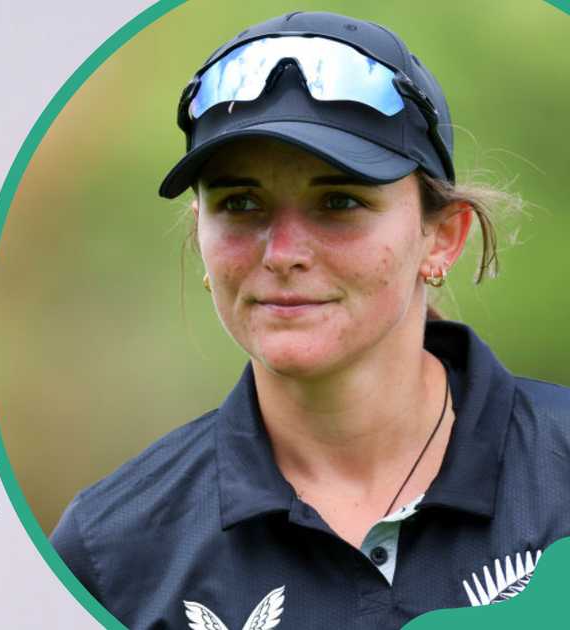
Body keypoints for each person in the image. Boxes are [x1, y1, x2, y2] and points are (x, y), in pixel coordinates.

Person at [50, 11, 570, 630]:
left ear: (442, 238)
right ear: (202, 238)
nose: (282, 252)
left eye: (340, 201)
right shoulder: (110, 551)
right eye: (239, 203)